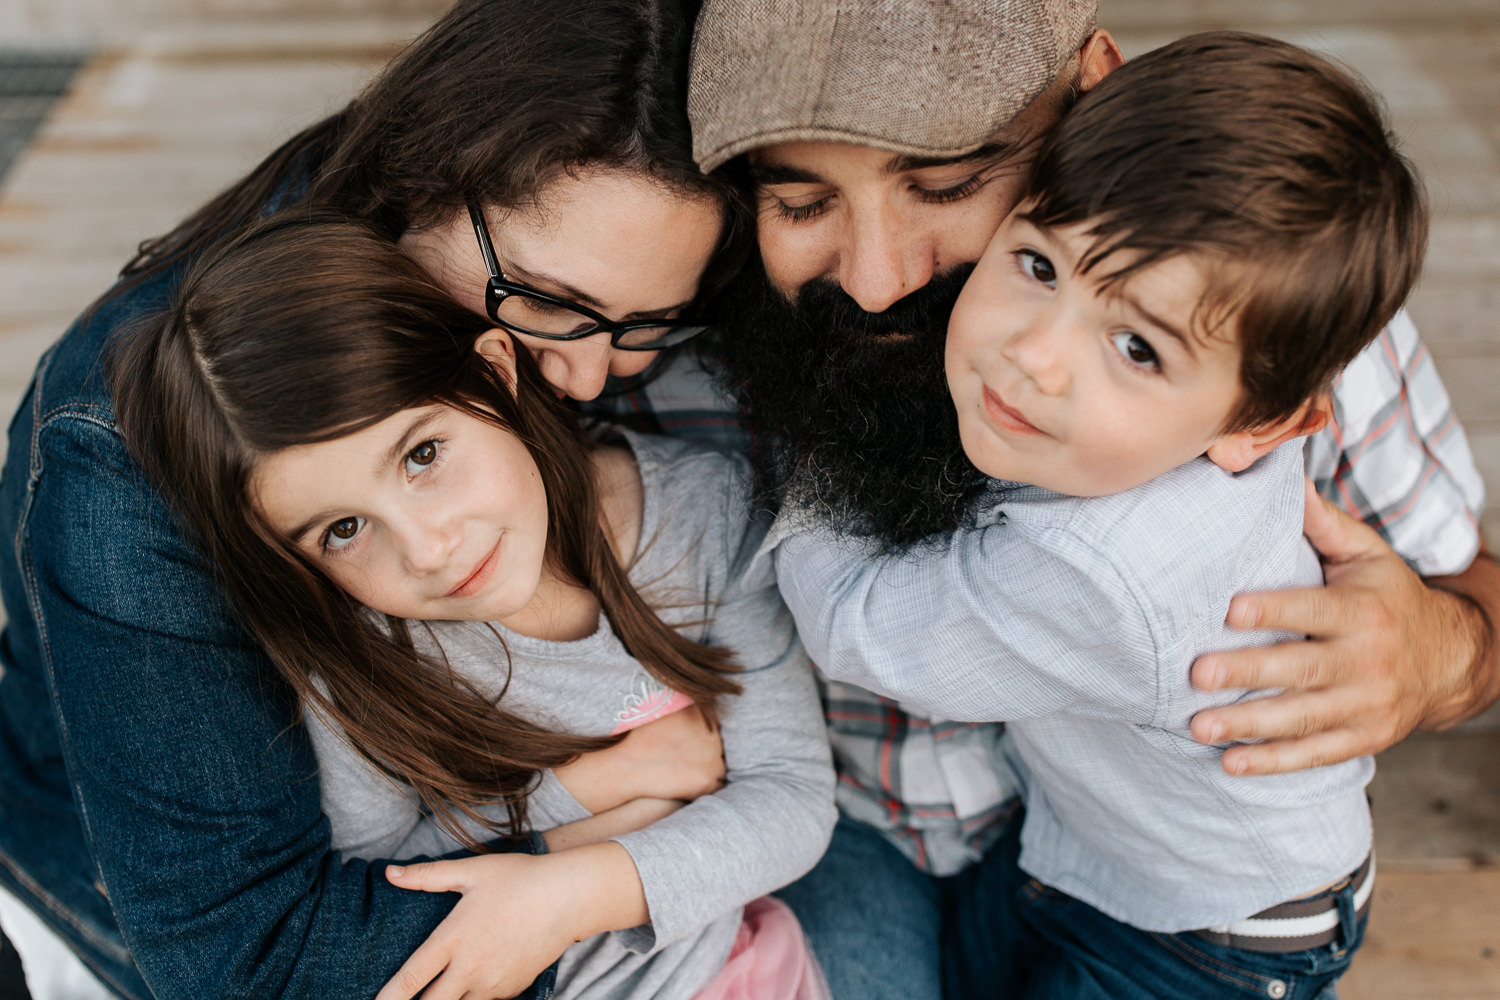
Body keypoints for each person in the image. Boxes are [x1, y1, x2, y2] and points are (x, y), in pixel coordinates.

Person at [595, 0, 1495, 996]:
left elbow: (1476, 592)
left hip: (1184, 928)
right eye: (802, 203)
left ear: (1093, 93)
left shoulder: (1279, 307)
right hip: (860, 839)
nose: (881, 282)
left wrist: (1439, 654)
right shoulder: (663, 331)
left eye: (946, 180)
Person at [0, 1, 752, 997]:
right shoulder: (131, 462)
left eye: (640, 327)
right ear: (418, 179)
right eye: (546, 303)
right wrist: (598, 870)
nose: (580, 379)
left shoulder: (488, 281)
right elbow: (251, 962)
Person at [772, 32, 1419, 998]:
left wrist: (812, 426)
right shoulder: (1146, 435)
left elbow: (856, 628)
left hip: (1209, 941)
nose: (1037, 356)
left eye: (1136, 347)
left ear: (1264, 424)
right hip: (1100, 856)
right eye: (1038, 266)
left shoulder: (1105, 571)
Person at [109, 213, 836, 1000]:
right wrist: (591, 793)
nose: (427, 549)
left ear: (493, 373)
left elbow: (792, 798)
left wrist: (566, 896)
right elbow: (370, 886)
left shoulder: (703, 513)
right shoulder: (360, 657)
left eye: (423, 455)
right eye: (344, 530)